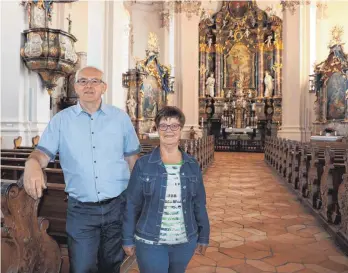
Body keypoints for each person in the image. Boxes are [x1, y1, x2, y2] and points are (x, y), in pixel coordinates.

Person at [23, 66, 140, 273]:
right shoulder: (61, 120)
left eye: (95, 81)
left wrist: (138, 200)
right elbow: (41, 154)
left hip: (116, 207)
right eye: (83, 81)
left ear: (103, 87)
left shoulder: (120, 118)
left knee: (111, 265)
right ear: (75, 87)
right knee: (81, 267)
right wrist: (31, 164)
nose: (89, 86)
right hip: (81, 211)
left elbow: (133, 159)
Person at [122, 106, 210, 273]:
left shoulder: (192, 165)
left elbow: (199, 204)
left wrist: (204, 236)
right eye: (163, 125)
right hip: (149, 241)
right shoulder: (143, 164)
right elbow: (132, 204)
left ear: (181, 129)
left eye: (174, 125)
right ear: (157, 128)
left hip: (184, 241)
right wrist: (127, 238)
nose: (169, 130)